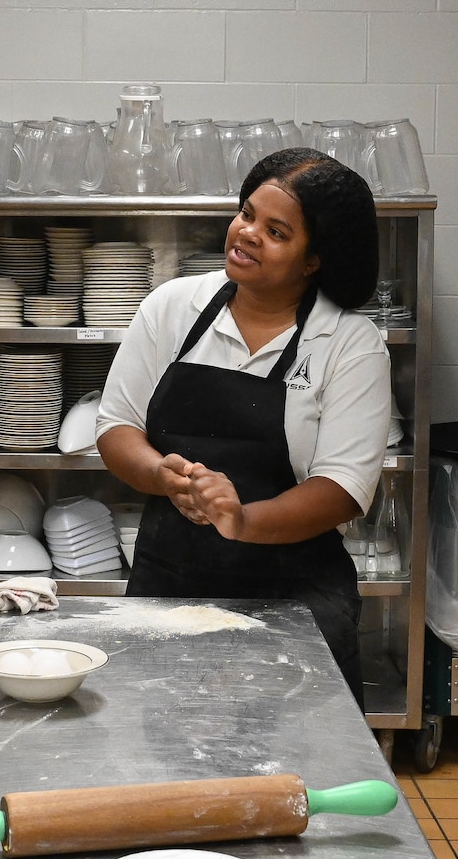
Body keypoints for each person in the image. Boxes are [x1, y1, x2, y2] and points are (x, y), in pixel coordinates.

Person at [96, 149, 391, 702]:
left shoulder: (347, 342)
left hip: (295, 596)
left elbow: (343, 489)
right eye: (246, 213)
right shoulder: (173, 307)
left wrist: (241, 519)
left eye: (277, 231)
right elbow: (117, 428)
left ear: (314, 260)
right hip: (169, 585)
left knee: (296, 766)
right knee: (163, 755)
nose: (248, 233)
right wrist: (163, 476)